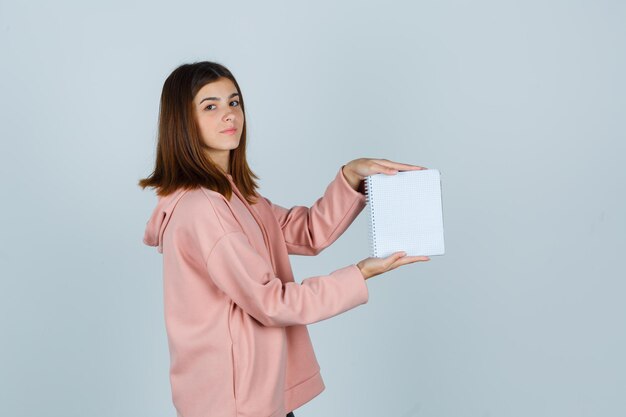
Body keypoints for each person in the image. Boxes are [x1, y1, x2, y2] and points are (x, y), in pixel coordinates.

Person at [138, 61, 430, 417]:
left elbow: (305, 232)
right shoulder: (205, 210)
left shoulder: (235, 197)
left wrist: (350, 176)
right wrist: (360, 274)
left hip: (253, 393)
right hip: (235, 403)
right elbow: (271, 302)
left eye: (234, 102)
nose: (229, 115)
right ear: (182, 122)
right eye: (210, 107)